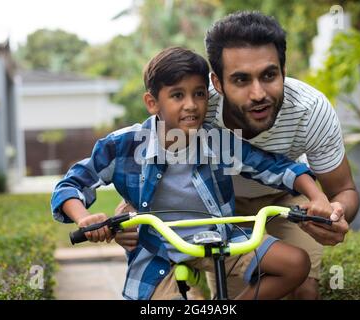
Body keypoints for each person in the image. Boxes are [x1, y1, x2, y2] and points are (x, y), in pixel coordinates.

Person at [51, 47, 334, 300]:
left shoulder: (218, 142)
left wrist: (317, 196)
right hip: (158, 249)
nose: (191, 104)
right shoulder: (122, 145)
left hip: (218, 240)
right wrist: (85, 218)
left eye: (199, 93)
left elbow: (277, 167)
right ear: (152, 103)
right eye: (177, 95)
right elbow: (71, 185)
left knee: (296, 264)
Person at [114, 11, 360, 299]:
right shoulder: (195, 105)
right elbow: (147, 151)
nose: (258, 93)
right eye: (241, 80)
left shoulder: (311, 110)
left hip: (286, 197)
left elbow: (343, 190)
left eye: (269, 75)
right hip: (214, 205)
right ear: (216, 83)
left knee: (302, 288)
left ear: (283, 70)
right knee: (230, 294)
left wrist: (335, 214)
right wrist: (128, 208)